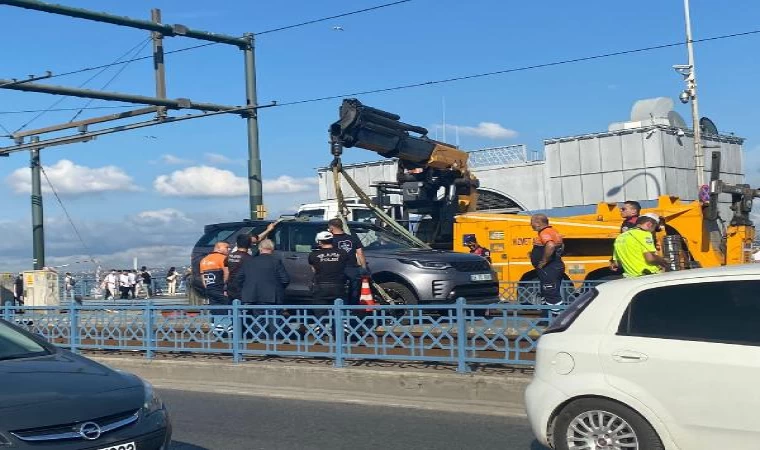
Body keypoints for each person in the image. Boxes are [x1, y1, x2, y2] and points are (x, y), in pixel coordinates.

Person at [231, 239, 290, 341]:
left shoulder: (249, 261)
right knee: (274, 320)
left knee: (258, 320)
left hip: (254, 296)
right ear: (272, 249)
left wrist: (245, 291)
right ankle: (275, 344)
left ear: (260, 249)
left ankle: (260, 343)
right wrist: (278, 289)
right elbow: (285, 279)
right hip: (273, 296)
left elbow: (238, 279)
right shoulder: (276, 261)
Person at [612, 213, 670, 278]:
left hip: (630, 277)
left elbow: (617, 263)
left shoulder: (620, 237)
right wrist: (663, 261)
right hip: (648, 276)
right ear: (649, 224)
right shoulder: (644, 234)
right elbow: (650, 258)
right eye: (654, 228)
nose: (653, 232)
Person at [327, 218, 366, 305]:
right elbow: (360, 253)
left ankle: (340, 310)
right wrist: (363, 268)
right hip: (353, 268)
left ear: (331, 228)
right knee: (354, 291)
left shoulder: (330, 240)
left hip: (338, 269)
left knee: (338, 290)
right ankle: (353, 309)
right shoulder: (352, 238)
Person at [530, 214, 565, 308]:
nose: (531, 225)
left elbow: (550, 245)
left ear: (538, 223)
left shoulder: (544, 232)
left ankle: (555, 318)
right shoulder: (554, 231)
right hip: (556, 266)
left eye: (531, 222)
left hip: (549, 269)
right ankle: (548, 316)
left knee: (551, 294)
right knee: (552, 292)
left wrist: (544, 261)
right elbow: (561, 246)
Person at [199, 243, 230, 333]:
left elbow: (203, 277)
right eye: (227, 247)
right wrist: (224, 286)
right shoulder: (222, 258)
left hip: (209, 289)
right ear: (218, 248)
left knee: (214, 310)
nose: (229, 249)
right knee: (227, 308)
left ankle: (216, 331)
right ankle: (226, 331)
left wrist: (208, 288)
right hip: (220, 288)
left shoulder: (203, 260)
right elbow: (227, 273)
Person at [226, 234, 254, 303]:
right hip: (243, 287)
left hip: (230, 287)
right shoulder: (249, 258)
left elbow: (226, 272)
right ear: (249, 245)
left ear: (237, 244)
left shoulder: (229, 256)